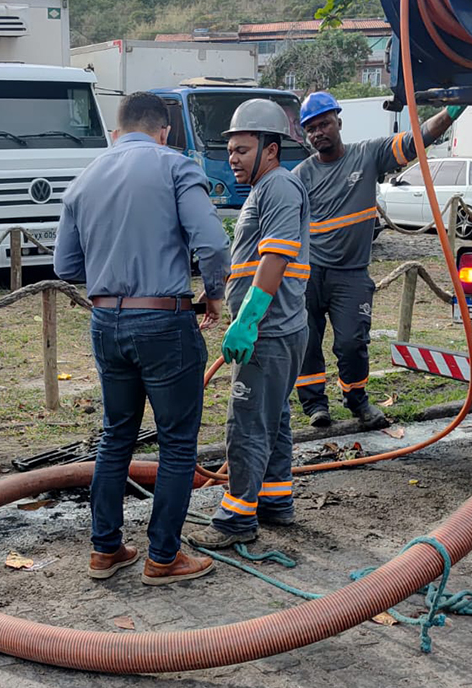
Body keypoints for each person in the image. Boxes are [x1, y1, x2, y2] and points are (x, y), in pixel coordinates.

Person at [54, 92, 231, 585]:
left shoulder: (84, 178)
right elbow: (213, 244)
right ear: (165, 131)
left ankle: (106, 550)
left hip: (106, 322)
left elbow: (66, 267)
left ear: (117, 130)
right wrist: (213, 294)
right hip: (163, 322)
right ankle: (163, 557)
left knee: (116, 437)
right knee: (177, 444)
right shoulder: (175, 166)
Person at [293, 92, 464, 429]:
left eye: (324, 124)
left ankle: (357, 400)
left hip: (351, 275)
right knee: (306, 341)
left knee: (353, 342)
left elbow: (415, 140)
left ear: (338, 122)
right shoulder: (301, 175)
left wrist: (451, 113)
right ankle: (314, 405)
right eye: (310, 128)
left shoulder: (367, 155)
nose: (318, 133)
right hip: (310, 274)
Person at [185, 99, 311, 547]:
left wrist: (249, 321)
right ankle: (275, 500)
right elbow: (252, 261)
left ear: (271, 149)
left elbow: (276, 256)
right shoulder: (265, 189)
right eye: (231, 150)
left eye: (241, 149)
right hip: (278, 328)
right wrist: (218, 296)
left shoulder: (278, 188)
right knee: (272, 419)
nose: (231, 158)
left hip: (271, 330)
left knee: (246, 422)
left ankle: (236, 519)